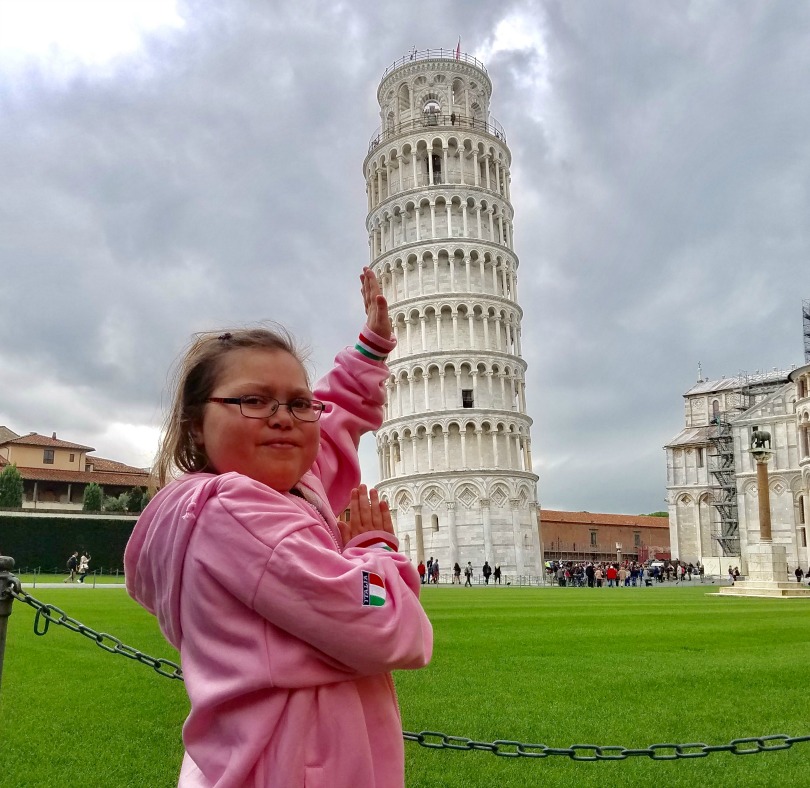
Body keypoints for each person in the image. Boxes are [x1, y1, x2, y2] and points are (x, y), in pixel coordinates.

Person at [124, 267, 433, 787]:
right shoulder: (243, 517)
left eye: (296, 401)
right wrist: (375, 552)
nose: (283, 417)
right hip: (294, 769)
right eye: (253, 400)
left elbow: (329, 424)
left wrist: (371, 350)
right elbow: (391, 631)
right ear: (196, 423)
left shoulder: (259, 495)